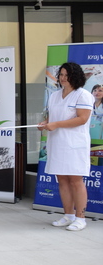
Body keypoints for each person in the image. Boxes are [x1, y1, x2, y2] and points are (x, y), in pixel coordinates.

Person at [38, 62, 93, 231]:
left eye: (67, 75)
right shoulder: (54, 96)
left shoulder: (83, 95)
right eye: (61, 74)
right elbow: (53, 117)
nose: (63, 78)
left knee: (76, 180)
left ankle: (80, 218)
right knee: (62, 179)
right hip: (57, 143)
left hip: (75, 144)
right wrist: (45, 123)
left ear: (75, 76)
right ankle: (68, 215)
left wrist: (56, 124)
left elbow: (82, 119)